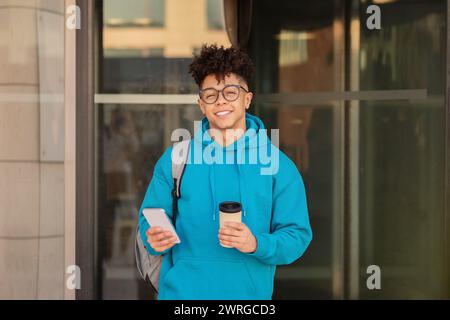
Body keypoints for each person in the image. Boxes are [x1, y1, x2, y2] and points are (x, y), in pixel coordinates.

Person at [138, 44, 312, 300]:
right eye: (210, 94)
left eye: (231, 92)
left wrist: (255, 243)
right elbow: (148, 218)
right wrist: (153, 236)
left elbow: (297, 235)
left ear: (247, 99)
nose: (220, 100)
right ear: (201, 104)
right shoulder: (177, 159)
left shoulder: (277, 165)